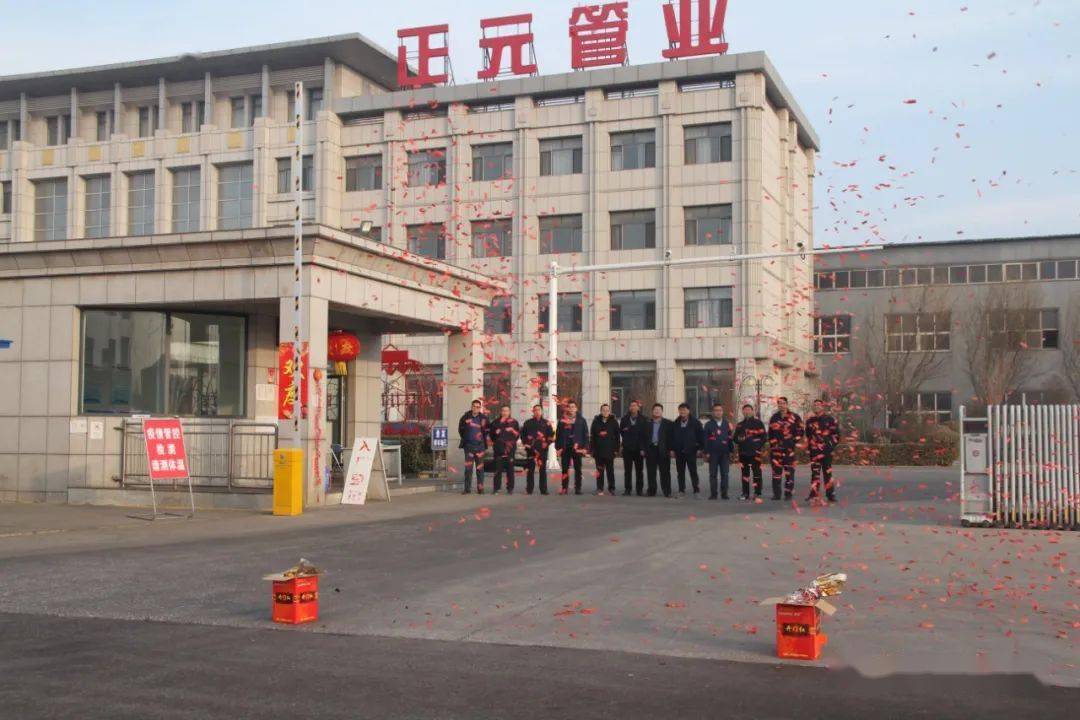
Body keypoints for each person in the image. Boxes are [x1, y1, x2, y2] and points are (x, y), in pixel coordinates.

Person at [768, 396, 804, 500]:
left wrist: (793, 441)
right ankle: (777, 494)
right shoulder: (774, 417)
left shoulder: (795, 417)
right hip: (776, 451)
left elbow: (801, 431)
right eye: (779, 403)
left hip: (789, 450)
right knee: (776, 474)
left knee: (789, 474)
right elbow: (770, 433)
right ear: (778, 405)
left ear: (787, 404)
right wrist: (772, 445)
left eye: (783, 403)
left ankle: (788, 494)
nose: (781, 405)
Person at [805, 399, 840, 503]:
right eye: (815, 405)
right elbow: (808, 435)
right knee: (814, 473)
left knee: (827, 473)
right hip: (814, 452)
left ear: (822, 407)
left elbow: (836, 434)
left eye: (818, 405)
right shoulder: (810, 421)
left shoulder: (830, 419)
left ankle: (830, 495)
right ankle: (813, 494)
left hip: (826, 451)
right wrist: (811, 446)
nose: (816, 406)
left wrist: (830, 445)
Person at [670, 403, 705, 497]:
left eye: (684, 409)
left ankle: (696, 490)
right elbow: (672, 437)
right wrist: (672, 449)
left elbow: (701, 436)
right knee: (680, 472)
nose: (683, 411)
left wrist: (700, 448)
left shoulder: (696, 423)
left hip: (691, 451)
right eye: (681, 410)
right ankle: (681, 490)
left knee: (693, 471)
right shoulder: (676, 423)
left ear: (688, 411)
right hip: (679, 451)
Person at [556, 400, 590, 495]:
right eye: (569, 407)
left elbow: (585, 435)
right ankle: (564, 488)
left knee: (578, 469)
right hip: (565, 447)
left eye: (573, 407)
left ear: (576, 408)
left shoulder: (581, 420)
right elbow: (558, 435)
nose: (571, 409)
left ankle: (578, 488)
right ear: (567, 408)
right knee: (565, 469)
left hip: (577, 448)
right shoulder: (562, 420)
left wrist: (585, 447)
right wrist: (558, 448)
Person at [733, 404, 767, 500]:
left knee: (757, 473)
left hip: (755, 453)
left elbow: (764, 437)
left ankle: (757, 493)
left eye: (748, 410)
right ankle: (745, 493)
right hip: (743, 453)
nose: (747, 412)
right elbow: (735, 438)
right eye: (745, 410)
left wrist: (757, 446)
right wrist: (739, 439)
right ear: (743, 412)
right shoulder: (740, 425)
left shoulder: (758, 423)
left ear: (752, 411)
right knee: (745, 474)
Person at [702, 403, 735, 500]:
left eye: (720, 410)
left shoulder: (727, 424)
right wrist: (706, 452)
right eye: (716, 410)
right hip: (713, 453)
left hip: (725, 453)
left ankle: (724, 493)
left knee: (725, 474)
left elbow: (730, 438)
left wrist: (732, 451)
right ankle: (713, 494)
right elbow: (705, 440)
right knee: (713, 474)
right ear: (713, 412)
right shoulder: (708, 425)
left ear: (722, 412)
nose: (718, 412)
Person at [521, 404, 554, 495]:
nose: (537, 411)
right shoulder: (528, 423)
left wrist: (547, 443)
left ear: (541, 411)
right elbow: (523, 435)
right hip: (531, 450)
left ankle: (543, 489)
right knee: (530, 470)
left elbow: (551, 435)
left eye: (539, 410)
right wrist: (526, 444)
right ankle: (529, 489)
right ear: (533, 411)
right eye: (535, 410)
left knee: (542, 470)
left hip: (542, 450)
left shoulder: (546, 423)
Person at [458, 399, 489, 494]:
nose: (476, 408)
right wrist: (466, 438)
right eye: (474, 406)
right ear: (471, 407)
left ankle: (480, 488)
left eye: (478, 407)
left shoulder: (483, 418)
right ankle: (467, 489)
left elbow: (487, 430)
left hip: (480, 447)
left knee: (480, 469)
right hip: (469, 447)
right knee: (468, 469)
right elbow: (460, 429)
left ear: (480, 408)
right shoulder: (465, 417)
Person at [488, 405, 520, 494]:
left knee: (510, 470)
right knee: (497, 470)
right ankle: (497, 488)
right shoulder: (495, 422)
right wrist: (498, 442)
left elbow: (517, 435)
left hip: (510, 450)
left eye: (506, 411)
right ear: (501, 412)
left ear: (509, 412)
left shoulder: (514, 422)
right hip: (499, 450)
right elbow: (491, 436)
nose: (505, 412)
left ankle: (510, 488)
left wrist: (511, 443)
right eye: (503, 411)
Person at [644, 403, 674, 498]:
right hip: (651, 449)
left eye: (659, 410)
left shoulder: (668, 423)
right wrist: (643, 449)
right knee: (651, 471)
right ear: (652, 411)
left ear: (662, 411)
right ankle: (651, 490)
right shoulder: (647, 423)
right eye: (655, 409)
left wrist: (671, 449)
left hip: (663, 449)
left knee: (665, 471)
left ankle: (667, 491)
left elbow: (671, 438)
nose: (657, 411)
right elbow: (643, 437)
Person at [590, 404, 621, 495]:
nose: (605, 412)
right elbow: (592, 437)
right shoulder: (596, 421)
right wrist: (592, 449)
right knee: (599, 471)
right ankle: (599, 488)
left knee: (610, 471)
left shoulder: (614, 422)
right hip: (598, 451)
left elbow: (617, 437)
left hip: (610, 451)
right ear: (601, 411)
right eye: (603, 410)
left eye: (607, 410)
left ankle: (611, 488)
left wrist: (616, 449)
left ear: (609, 411)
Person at [619, 400, 647, 496]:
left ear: (638, 407)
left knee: (639, 471)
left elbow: (645, 435)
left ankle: (639, 490)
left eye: (635, 405)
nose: (633, 407)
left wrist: (643, 448)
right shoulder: (624, 419)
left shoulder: (643, 419)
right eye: (631, 405)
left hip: (639, 449)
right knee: (627, 471)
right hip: (627, 448)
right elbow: (621, 432)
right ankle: (628, 489)